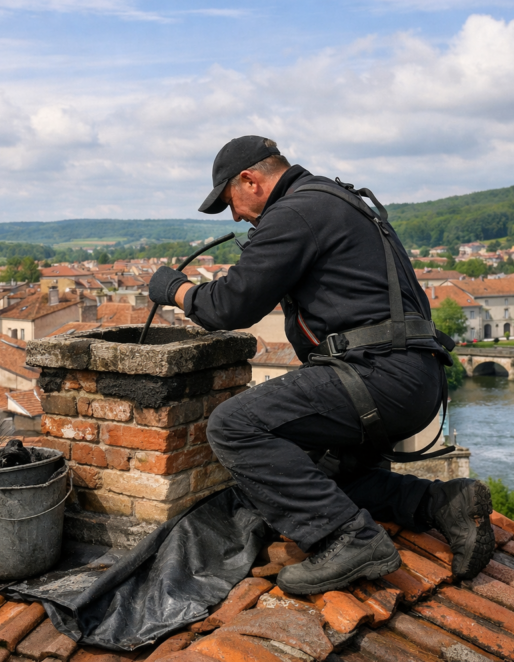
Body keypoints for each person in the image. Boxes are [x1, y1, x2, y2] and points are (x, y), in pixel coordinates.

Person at [148, 136, 494, 595]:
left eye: (230, 203)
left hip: (378, 376)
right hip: (414, 376)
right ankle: (441, 502)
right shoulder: (335, 198)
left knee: (232, 426)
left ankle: (350, 540)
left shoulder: (295, 212)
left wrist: (175, 288)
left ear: (250, 180)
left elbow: (228, 307)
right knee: (311, 487)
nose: (234, 217)